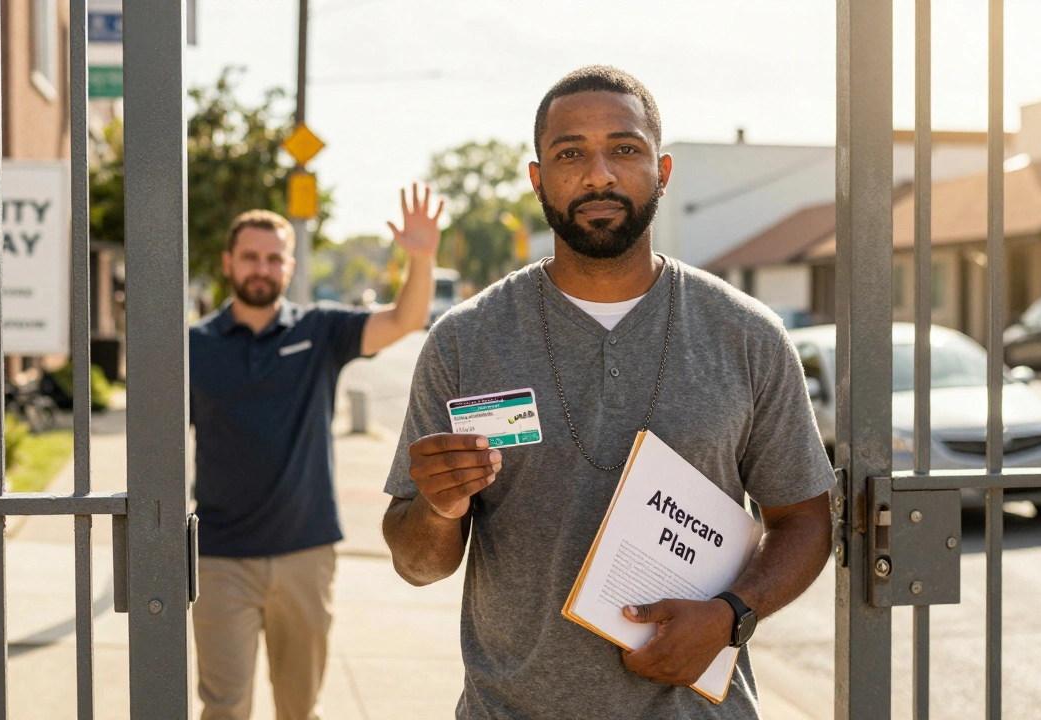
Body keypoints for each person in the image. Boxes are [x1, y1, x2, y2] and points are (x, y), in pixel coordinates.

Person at [382, 66, 835, 718]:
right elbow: (418, 563)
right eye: (571, 153)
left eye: (625, 149)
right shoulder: (463, 341)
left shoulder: (747, 335)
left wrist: (731, 614)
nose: (599, 174)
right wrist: (436, 508)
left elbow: (805, 521)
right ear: (537, 179)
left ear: (663, 170)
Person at [190, 188, 443, 720]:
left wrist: (420, 258)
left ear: (290, 264)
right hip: (218, 558)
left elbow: (405, 318)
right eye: (251, 256)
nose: (263, 267)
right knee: (224, 707)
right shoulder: (194, 346)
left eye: (274, 257)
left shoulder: (321, 330)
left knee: (300, 708)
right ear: (228, 262)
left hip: (305, 553)